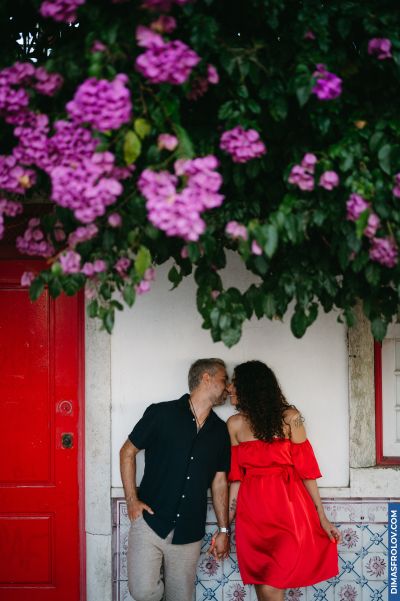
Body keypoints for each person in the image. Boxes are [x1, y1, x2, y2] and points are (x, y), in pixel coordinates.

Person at [226, 360, 340, 601]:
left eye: (234, 382)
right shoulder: (234, 424)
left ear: (251, 386)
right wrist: (225, 527)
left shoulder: (291, 418)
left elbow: (307, 471)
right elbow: (236, 479)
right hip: (252, 518)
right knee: (263, 586)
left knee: (272, 585)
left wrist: (322, 517)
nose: (229, 388)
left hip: (288, 512)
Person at [120, 358, 231, 601]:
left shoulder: (220, 431)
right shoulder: (161, 413)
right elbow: (127, 451)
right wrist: (131, 500)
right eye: (224, 379)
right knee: (143, 591)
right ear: (206, 378)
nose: (228, 387)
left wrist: (224, 529)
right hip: (150, 521)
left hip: (189, 530)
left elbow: (220, 482)